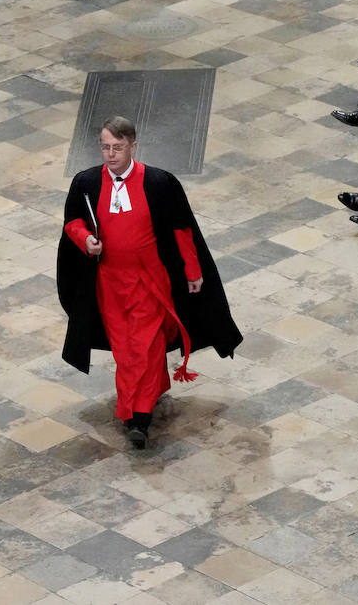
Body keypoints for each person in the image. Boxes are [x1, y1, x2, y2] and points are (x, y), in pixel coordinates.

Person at [57, 116, 242, 448]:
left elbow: (181, 230)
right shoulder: (86, 183)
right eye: (105, 147)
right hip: (109, 284)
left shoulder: (159, 183)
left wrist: (193, 272)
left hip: (150, 282)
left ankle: (136, 416)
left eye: (118, 147)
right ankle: (148, 395)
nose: (110, 154)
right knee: (127, 349)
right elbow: (72, 221)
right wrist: (85, 239)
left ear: (133, 147)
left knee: (144, 346)